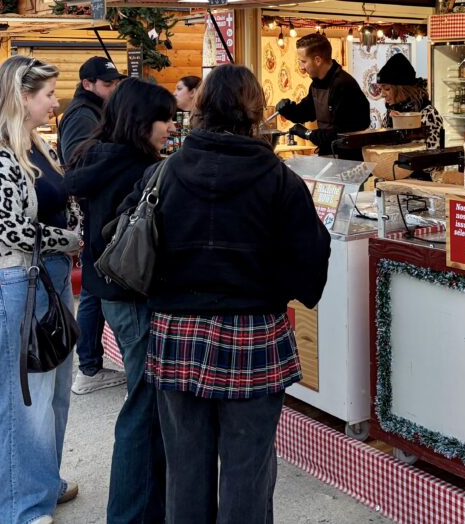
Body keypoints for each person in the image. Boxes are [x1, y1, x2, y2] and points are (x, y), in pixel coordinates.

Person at [133, 64, 330, 523]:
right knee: (247, 467)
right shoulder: (281, 180)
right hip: (254, 332)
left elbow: (131, 246)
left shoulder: (164, 173)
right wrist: (274, 285)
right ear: (254, 110)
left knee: (184, 466)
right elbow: (310, 265)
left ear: (200, 108)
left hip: (177, 331)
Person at [0, 56, 82, 524]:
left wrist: (70, 233)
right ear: (20, 97)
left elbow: (59, 201)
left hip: (46, 277)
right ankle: (18, 507)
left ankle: (40, 482)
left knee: (52, 393)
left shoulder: (34, 144)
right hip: (10, 282)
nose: (55, 101)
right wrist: (67, 239)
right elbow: (11, 229)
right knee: (19, 398)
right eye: (47, 93)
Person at [65, 79, 175, 524]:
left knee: (143, 402)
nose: (170, 127)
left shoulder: (96, 154)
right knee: (145, 409)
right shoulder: (135, 167)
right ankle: (131, 514)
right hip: (132, 293)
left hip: (108, 288)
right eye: (164, 119)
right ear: (140, 122)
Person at [58, 55, 126, 396]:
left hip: (94, 212)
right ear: (88, 84)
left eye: (115, 83)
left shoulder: (93, 110)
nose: (113, 89)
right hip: (92, 213)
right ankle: (88, 367)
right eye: (108, 84)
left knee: (94, 289)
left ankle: (90, 365)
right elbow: (78, 166)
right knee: (93, 291)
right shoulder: (82, 114)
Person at [275, 32, 371, 159]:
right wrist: (287, 110)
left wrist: (307, 134)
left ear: (318, 60)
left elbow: (339, 133)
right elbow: (306, 112)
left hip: (348, 160)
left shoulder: (343, 85)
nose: (301, 67)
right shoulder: (316, 84)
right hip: (329, 155)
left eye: (303, 62)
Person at [376, 53, 444, 150]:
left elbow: (435, 158)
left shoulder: (428, 114)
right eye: (380, 89)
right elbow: (384, 149)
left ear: (402, 89)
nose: (382, 94)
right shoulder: (392, 113)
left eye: (387, 89)